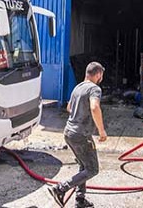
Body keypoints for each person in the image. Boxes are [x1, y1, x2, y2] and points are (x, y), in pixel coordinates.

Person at [48, 62, 107, 208]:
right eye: (101, 75)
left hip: (69, 132)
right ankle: (61, 188)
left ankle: (80, 200)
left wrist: (79, 114)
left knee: (83, 165)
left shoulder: (77, 87)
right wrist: (101, 130)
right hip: (81, 135)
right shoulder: (95, 89)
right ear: (98, 74)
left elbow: (69, 108)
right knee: (92, 169)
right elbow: (94, 107)